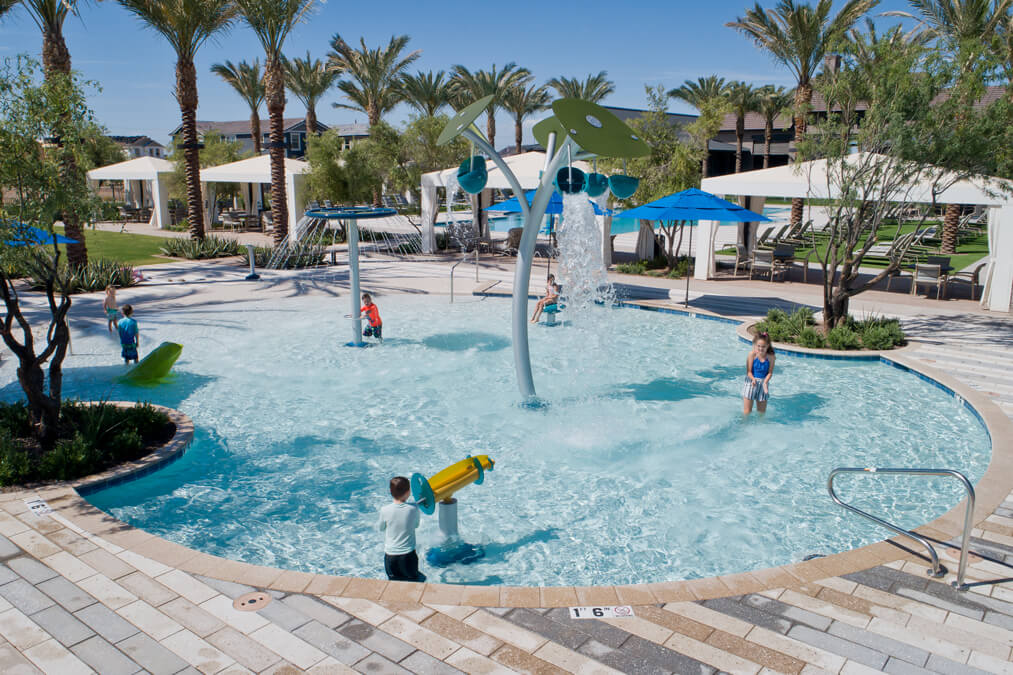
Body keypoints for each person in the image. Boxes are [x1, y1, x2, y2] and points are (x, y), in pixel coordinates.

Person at [377, 476, 425, 582]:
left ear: (390, 491)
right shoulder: (413, 509)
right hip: (408, 556)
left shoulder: (384, 510)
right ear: (408, 492)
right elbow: (416, 525)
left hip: (390, 556)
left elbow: (381, 528)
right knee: (413, 581)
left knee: (394, 582)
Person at [742, 331, 775, 415]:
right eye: (758, 346)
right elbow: (749, 372)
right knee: (747, 412)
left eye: (763, 346)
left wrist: (765, 382)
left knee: (761, 413)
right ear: (755, 345)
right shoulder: (752, 355)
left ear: (767, 346)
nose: (760, 349)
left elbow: (770, 372)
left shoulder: (771, 357)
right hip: (751, 383)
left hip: (763, 384)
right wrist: (753, 379)